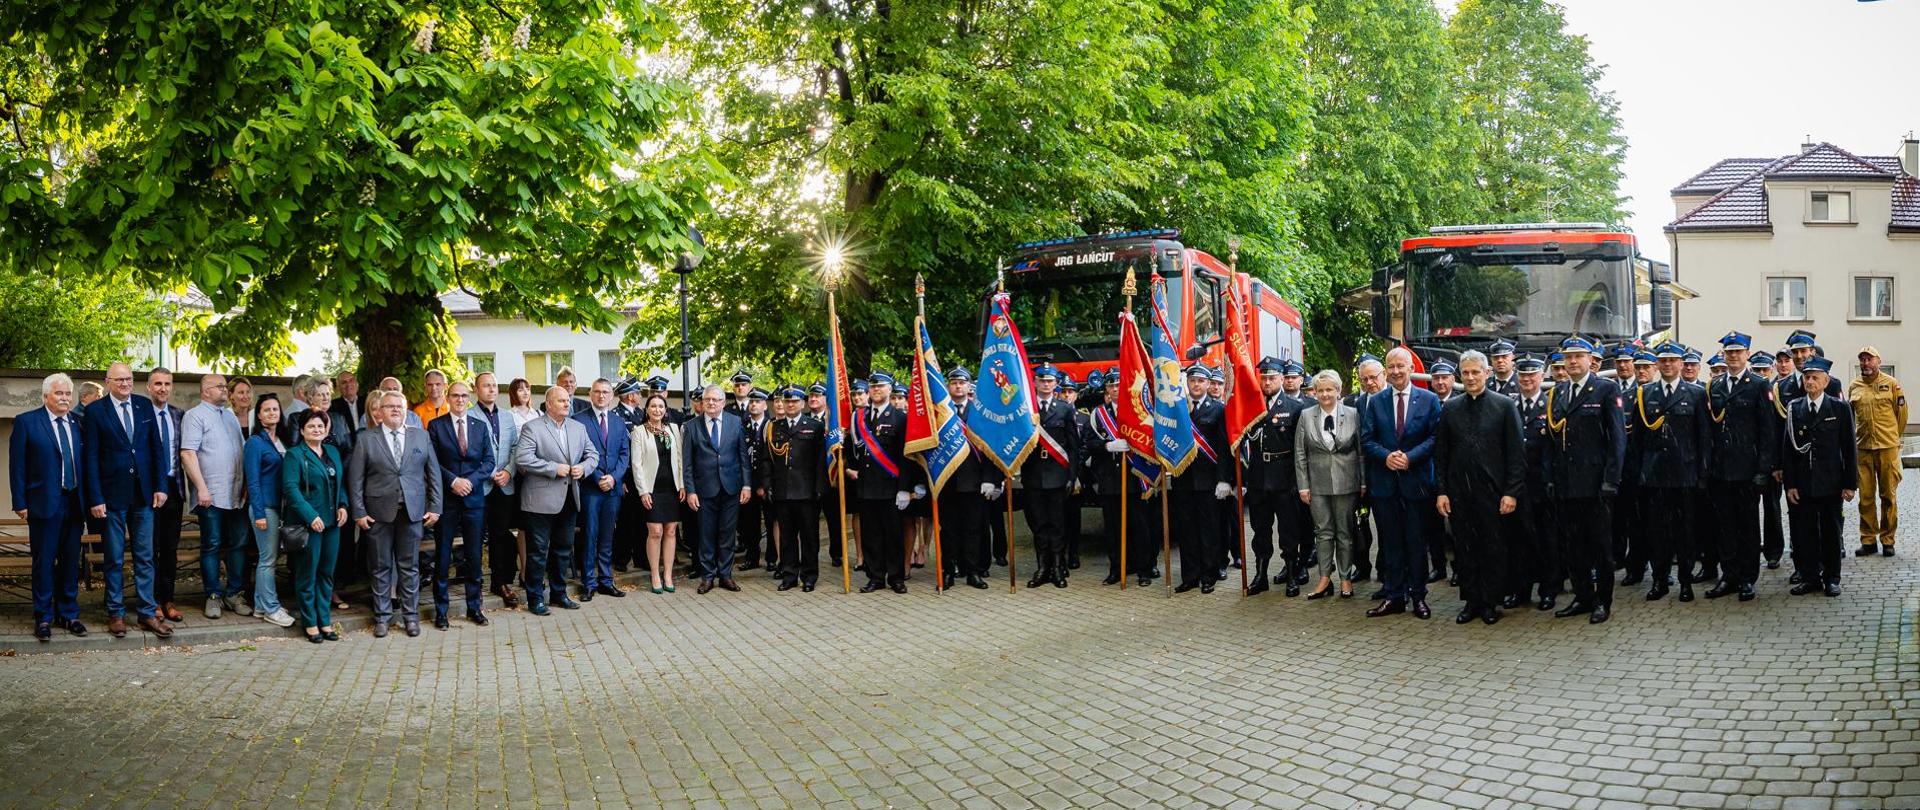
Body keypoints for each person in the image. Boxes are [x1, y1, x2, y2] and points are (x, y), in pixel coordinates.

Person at [1433, 351, 1525, 625]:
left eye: (1476, 372)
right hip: (1459, 493)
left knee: (1492, 548)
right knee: (1465, 548)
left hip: (1494, 493)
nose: (1471, 377)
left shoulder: (1504, 406)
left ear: (1486, 373)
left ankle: (1490, 602)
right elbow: (1441, 454)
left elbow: (1516, 454)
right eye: (1466, 373)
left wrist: (1511, 492)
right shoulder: (1451, 409)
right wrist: (1442, 491)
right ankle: (1471, 601)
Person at [81, 362, 170, 638]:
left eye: (129, 379)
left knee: (145, 557)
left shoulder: (144, 406)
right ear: (108, 381)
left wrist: (161, 486)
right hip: (111, 498)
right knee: (114, 558)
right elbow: (90, 458)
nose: (125, 384)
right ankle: (116, 613)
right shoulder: (95, 411)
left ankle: (147, 613)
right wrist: (96, 497)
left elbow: (157, 449)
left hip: (143, 496)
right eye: (119, 380)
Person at [1543, 337, 1626, 624]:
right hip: (1566, 484)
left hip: (1595, 485)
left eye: (1579, 356)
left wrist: (1611, 480)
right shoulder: (1558, 392)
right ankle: (1582, 596)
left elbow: (1617, 439)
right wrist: (1550, 478)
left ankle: (1602, 601)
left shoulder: (1606, 389)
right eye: (1569, 357)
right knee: (1573, 546)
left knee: (1600, 547)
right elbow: (1552, 441)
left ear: (1591, 360)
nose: (1573, 361)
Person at [349, 390, 443, 638]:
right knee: (380, 567)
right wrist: (359, 512)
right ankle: (382, 617)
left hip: (412, 513)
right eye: (389, 406)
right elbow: (355, 479)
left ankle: (411, 617)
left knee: (409, 567)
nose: (395, 410)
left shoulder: (421, 436)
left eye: (399, 407)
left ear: (405, 411)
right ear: (379, 412)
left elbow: (433, 474)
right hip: (377, 514)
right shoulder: (366, 439)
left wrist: (435, 507)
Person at [1359, 348, 1440, 620]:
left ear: (1410, 368)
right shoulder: (1376, 402)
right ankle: (1394, 596)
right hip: (1385, 485)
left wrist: (1409, 458)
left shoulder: (1429, 400)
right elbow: (1367, 439)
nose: (1395, 371)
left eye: (1400, 366)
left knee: (1416, 544)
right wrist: (1386, 457)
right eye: (1391, 366)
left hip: (1416, 484)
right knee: (1391, 543)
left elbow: (1434, 438)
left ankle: (1418, 597)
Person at [1632, 342, 1714, 602]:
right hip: (1655, 476)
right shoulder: (1645, 393)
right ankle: (1659, 580)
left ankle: (1686, 582)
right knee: (1657, 532)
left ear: (1681, 363)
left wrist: (1703, 473)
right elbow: (1637, 441)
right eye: (1663, 360)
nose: (1668, 364)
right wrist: (1638, 473)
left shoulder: (1696, 394)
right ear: (1657, 364)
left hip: (1684, 475)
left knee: (1685, 532)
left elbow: (1704, 437)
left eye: (1672, 360)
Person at [11, 374, 88, 641]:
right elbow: (17, 466)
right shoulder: (27, 422)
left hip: (74, 503)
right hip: (43, 504)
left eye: (68, 393)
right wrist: (20, 502)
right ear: (46, 396)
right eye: (59, 393)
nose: (65, 398)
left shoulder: (79, 423)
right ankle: (43, 617)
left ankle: (68, 614)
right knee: (44, 562)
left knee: (70, 561)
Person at [1703, 331, 1776, 602]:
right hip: (1721, 470)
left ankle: (1747, 578)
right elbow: (1710, 430)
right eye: (1729, 352)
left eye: (1738, 352)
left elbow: (1767, 431)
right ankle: (1729, 575)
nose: (1733, 356)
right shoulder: (1715, 386)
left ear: (1747, 354)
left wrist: (1762, 470)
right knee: (1724, 526)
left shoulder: (1759, 384)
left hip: (1748, 470)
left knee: (1747, 527)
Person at [515, 385, 597, 613]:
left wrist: (583, 468)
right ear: (549, 404)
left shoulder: (578, 428)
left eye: (568, 400)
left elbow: (593, 454)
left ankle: (559, 595)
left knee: (562, 550)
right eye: (561, 400)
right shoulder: (533, 428)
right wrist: (553, 468)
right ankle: (535, 599)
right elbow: (522, 458)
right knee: (538, 553)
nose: (567, 403)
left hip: (569, 498)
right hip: (540, 501)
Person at [1781, 356, 1857, 597]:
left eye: (1815, 377)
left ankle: (1832, 578)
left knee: (1831, 533)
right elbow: (1788, 450)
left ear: (1826, 381)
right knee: (1806, 533)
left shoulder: (1839, 408)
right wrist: (1790, 484)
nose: (1810, 381)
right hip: (1804, 482)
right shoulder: (1795, 408)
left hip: (1830, 482)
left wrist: (1850, 484)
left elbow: (1849, 448)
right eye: (1807, 377)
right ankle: (1810, 577)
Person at [180, 373, 251, 619]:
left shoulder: (230, 417)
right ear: (205, 390)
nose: (225, 390)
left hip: (236, 494)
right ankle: (213, 596)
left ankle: (234, 594)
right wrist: (201, 488)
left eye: (224, 386)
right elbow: (188, 454)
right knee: (211, 545)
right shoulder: (195, 416)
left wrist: (245, 485)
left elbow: (241, 451)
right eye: (220, 386)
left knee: (238, 544)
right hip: (210, 495)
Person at [426, 381, 496, 628]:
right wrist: (453, 481)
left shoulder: (480, 426)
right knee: (443, 555)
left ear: (469, 398)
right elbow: (432, 462)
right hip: (447, 500)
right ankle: (441, 612)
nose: (459, 400)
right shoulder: (436, 426)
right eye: (455, 395)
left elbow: (489, 462)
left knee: (474, 556)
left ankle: (474, 608)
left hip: (474, 499)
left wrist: (470, 481)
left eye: (464, 396)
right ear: (448, 397)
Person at [282, 408, 348, 643]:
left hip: (332, 523)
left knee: (326, 573)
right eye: (311, 426)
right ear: (302, 430)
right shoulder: (294, 455)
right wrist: (310, 516)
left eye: (320, 426)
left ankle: (325, 620)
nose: (316, 430)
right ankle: (310, 623)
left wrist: (343, 505)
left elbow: (340, 483)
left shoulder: (332, 452)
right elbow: (290, 490)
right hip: (308, 524)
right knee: (307, 573)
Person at [1295, 370, 1362, 600]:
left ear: (1338, 391)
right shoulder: (1306, 416)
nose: (1325, 394)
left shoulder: (1353, 414)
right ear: (1314, 392)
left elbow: (1361, 452)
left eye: (1329, 390)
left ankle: (1345, 578)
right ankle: (1324, 579)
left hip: (1346, 482)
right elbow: (1300, 453)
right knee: (1322, 532)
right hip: (1317, 484)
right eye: (1320, 390)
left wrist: (1363, 482)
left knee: (1345, 532)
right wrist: (1303, 486)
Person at [1244, 357, 1308, 596]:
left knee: (1288, 530)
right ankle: (1260, 575)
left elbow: (1301, 449)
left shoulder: (1295, 407)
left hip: (1285, 477)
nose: (1267, 382)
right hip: (1258, 477)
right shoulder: (1251, 406)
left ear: (1282, 378)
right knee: (1260, 529)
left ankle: (1291, 574)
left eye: (1272, 378)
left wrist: (1300, 481)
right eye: (1264, 378)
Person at [681, 385, 754, 593]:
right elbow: (687, 463)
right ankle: (707, 577)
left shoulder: (735, 422)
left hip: (731, 488)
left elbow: (743, 457)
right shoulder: (691, 426)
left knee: (727, 534)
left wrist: (746, 485)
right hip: (704, 490)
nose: (711, 403)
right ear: (702, 402)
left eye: (715, 399)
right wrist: (691, 491)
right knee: (706, 534)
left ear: (723, 402)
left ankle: (725, 575)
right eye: (707, 400)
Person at [755, 387, 826, 591]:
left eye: (795, 401)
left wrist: (820, 487)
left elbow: (820, 460)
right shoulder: (773, 427)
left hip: (807, 493)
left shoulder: (814, 426)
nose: (791, 405)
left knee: (809, 537)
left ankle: (809, 576)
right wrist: (767, 485)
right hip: (783, 491)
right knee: (787, 537)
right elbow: (766, 459)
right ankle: (789, 575)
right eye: (787, 402)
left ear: (802, 403)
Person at [1082, 369, 1147, 588]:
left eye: (1119, 385)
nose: (1115, 389)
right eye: (1111, 386)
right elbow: (1089, 442)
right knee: (1112, 529)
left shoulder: (1139, 411)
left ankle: (1143, 570)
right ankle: (1116, 569)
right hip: (1109, 479)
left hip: (1135, 477)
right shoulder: (1097, 414)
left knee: (1139, 526)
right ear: (1107, 390)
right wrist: (1107, 445)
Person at [1504, 356, 1559, 611]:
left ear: (1541, 376)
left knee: (1547, 540)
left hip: (1543, 485)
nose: (1527, 380)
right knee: (1518, 540)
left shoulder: (1551, 405)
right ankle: (1520, 590)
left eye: (1532, 375)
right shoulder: (1509, 406)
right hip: (1516, 486)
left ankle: (1549, 590)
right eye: (1523, 375)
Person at [1172, 365, 1232, 594]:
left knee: (1209, 531)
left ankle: (1209, 575)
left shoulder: (1218, 409)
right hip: (1183, 479)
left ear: (1208, 384)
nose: (1196, 384)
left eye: (1200, 381)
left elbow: (1224, 448)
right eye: (1192, 380)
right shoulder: (1178, 408)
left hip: (1208, 481)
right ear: (1187, 383)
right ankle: (1190, 576)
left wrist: (1224, 479)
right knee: (1186, 530)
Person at [1019, 365, 1078, 588]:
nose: (1045, 384)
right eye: (1042, 380)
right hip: (1033, 475)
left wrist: (1072, 476)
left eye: (1050, 380)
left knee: (1057, 524)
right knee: (1039, 525)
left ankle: (1057, 568)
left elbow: (1073, 446)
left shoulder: (1065, 409)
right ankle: (1042, 568)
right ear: (1034, 382)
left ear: (1056, 383)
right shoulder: (1025, 408)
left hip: (1057, 474)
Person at [572, 378, 630, 600]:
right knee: (589, 535)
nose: (601, 395)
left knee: (607, 535)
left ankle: (606, 580)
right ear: (590, 394)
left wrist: (614, 478)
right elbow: (578, 454)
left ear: (612, 396)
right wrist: (598, 478)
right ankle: (589, 583)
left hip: (612, 489)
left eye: (606, 392)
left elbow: (624, 454)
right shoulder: (579, 420)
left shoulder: (618, 421)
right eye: (597, 391)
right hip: (591, 488)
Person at [242, 394, 296, 627]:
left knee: (270, 557)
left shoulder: (282, 440)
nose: (272, 413)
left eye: (275, 409)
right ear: (259, 415)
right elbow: (252, 481)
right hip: (264, 507)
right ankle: (271, 608)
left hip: (279, 507)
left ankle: (260, 606)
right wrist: (259, 514)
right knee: (268, 559)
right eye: (267, 410)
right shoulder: (255, 442)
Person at [472, 372, 522, 608]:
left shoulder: (507, 416)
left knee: (500, 535)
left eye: (494, 385)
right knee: (475, 537)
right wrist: (491, 473)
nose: (491, 389)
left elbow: (515, 447)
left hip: (504, 485)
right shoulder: (469, 416)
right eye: (486, 385)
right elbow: (470, 452)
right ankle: (475, 585)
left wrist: (509, 471)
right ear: (476, 389)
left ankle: (499, 582)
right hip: (481, 486)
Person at [1849, 347, 1904, 557]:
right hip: (1863, 448)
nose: (1866, 363)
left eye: (1869, 359)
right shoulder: (1854, 386)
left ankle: (1888, 540)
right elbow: (1850, 418)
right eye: (1862, 359)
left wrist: (1893, 438)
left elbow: (1901, 414)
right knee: (1865, 497)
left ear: (1878, 361)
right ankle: (1868, 540)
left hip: (1887, 448)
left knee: (1888, 495)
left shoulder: (1891, 384)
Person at [145, 368, 188, 623]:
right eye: (158, 383)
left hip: (174, 487)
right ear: (149, 387)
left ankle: (168, 599)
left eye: (167, 384)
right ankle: (151, 601)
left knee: (170, 548)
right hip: (148, 490)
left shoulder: (178, 415)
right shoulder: (141, 414)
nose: (163, 388)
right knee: (150, 548)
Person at [631, 393, 684, 593]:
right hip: (652, 489)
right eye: (653, 406)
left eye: (661, 406)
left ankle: (668, 575)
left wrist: (682, 485)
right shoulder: (639, 432)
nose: (657, 410)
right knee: (655, 532)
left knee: (670, 531)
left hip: (672, 488)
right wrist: (643, 491)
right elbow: (636, 464)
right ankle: (655, 574)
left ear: (665, 410)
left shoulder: (673, 429)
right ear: (646, 409)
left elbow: (679, 459)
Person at [1343, 355, 1385, 583]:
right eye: (1364, 379)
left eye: (1373, 378)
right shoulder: (1355, 403)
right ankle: (1362, 566)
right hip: (1360, 474)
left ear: (1383, 375)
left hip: (1385, 472)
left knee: (1386, 524)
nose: (1370, 383)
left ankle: (1384, 567)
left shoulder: (1390, 399)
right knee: (1360, 522)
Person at [737, 388, 774, 572]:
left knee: (771, 521)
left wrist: (764, 485)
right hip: (747, 483)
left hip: (766, 484)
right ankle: (752, 557)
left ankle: (772, 558)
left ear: (765, 405)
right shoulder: (741, 426)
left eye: (758, 402)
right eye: (751, 401)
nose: (753, 405)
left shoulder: (771, 426)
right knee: (749, 523)